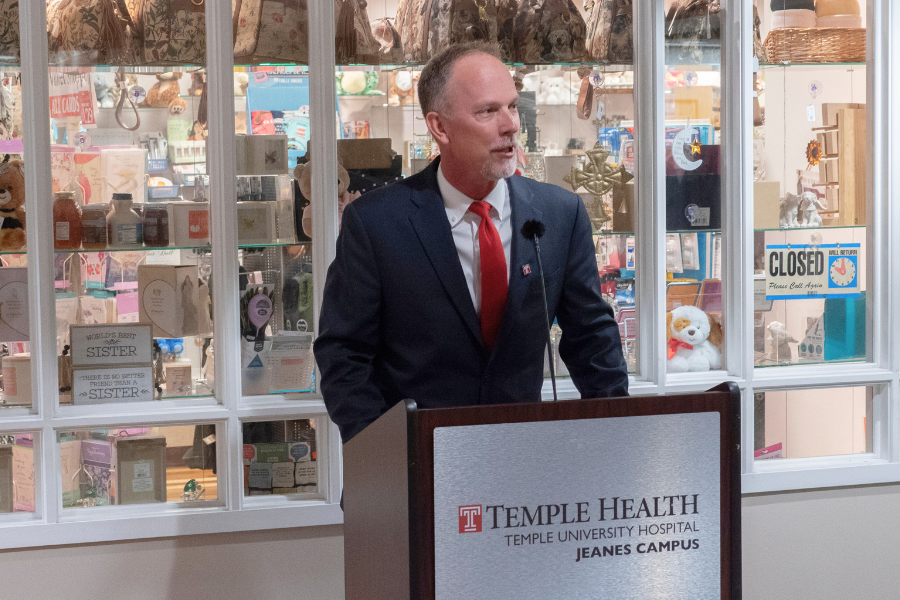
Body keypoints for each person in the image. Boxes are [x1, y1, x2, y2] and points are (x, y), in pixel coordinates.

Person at [314, 42, 628, 443]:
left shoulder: (559, 214)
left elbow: (592, 338)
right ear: (439, 127)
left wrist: (617, 436)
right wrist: (387, 453)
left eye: (512, 107)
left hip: (524, 466)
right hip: (414, 468)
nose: (511, 124)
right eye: (487, 111)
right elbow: (343, 356)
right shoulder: (375, 222)